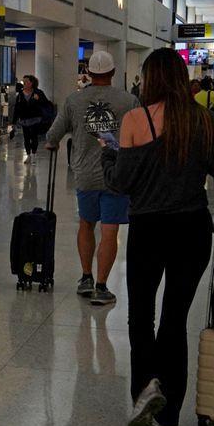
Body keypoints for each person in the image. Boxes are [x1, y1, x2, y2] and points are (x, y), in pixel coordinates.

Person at [102, 48, 214, 426]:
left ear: (151, 78)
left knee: (141, 315)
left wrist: (109, 158)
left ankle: (144, 392)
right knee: (174, 319)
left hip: (149, 228)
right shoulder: (208, 122)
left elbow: (122, 183)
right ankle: (169, 420)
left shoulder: (136, 119)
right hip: (193, 228)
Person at [45, 51, 139, 305]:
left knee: (86, 224)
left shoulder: (74, 100)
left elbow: (53, 135)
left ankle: (85, 277)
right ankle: (101, 286)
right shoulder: (128, 101)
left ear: (88, 72)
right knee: (110, 230)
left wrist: (52, 143)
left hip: (85, 174)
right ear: (113, 72)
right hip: (117, 175)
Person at [12, 74, 51, 164]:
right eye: (23, 82)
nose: (24, 83)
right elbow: (17, 108)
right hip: (24, 119)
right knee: (26, 138)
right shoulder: (20, 95)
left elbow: (46, 104)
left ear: (31, 83)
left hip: (35, 118)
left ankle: (34, 154)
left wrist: (38, 100)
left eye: (26, 82)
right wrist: (13, 122)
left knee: (33, 136)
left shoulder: (38, 93)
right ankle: (28, 154)